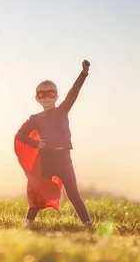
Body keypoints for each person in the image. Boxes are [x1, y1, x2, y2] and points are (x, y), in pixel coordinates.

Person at [14, 60, 93, 230]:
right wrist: (35, 143)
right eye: (42, 95)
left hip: (64, 159)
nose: (47, 98)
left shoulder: (63, 110)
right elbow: (20, 135)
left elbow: (73, 93)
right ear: (37, 98)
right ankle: (28, 223)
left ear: (57, 96)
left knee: (73, 194)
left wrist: (83, 74)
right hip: (45, 160)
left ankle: (88, 225)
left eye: (51, 94)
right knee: (36, 192)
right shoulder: (35, 118)